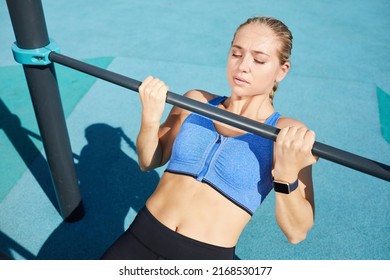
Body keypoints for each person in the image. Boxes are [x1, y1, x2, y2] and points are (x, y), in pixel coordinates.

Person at [101, 16, 317, 260]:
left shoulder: (288, 134)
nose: (243, 66)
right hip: (142, 235)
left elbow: (296, 233)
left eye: (259, 60)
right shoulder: (195, 101)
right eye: (236, 54)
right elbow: (148, 161)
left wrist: (286, 176)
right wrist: (150, 118)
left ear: (281, 70)